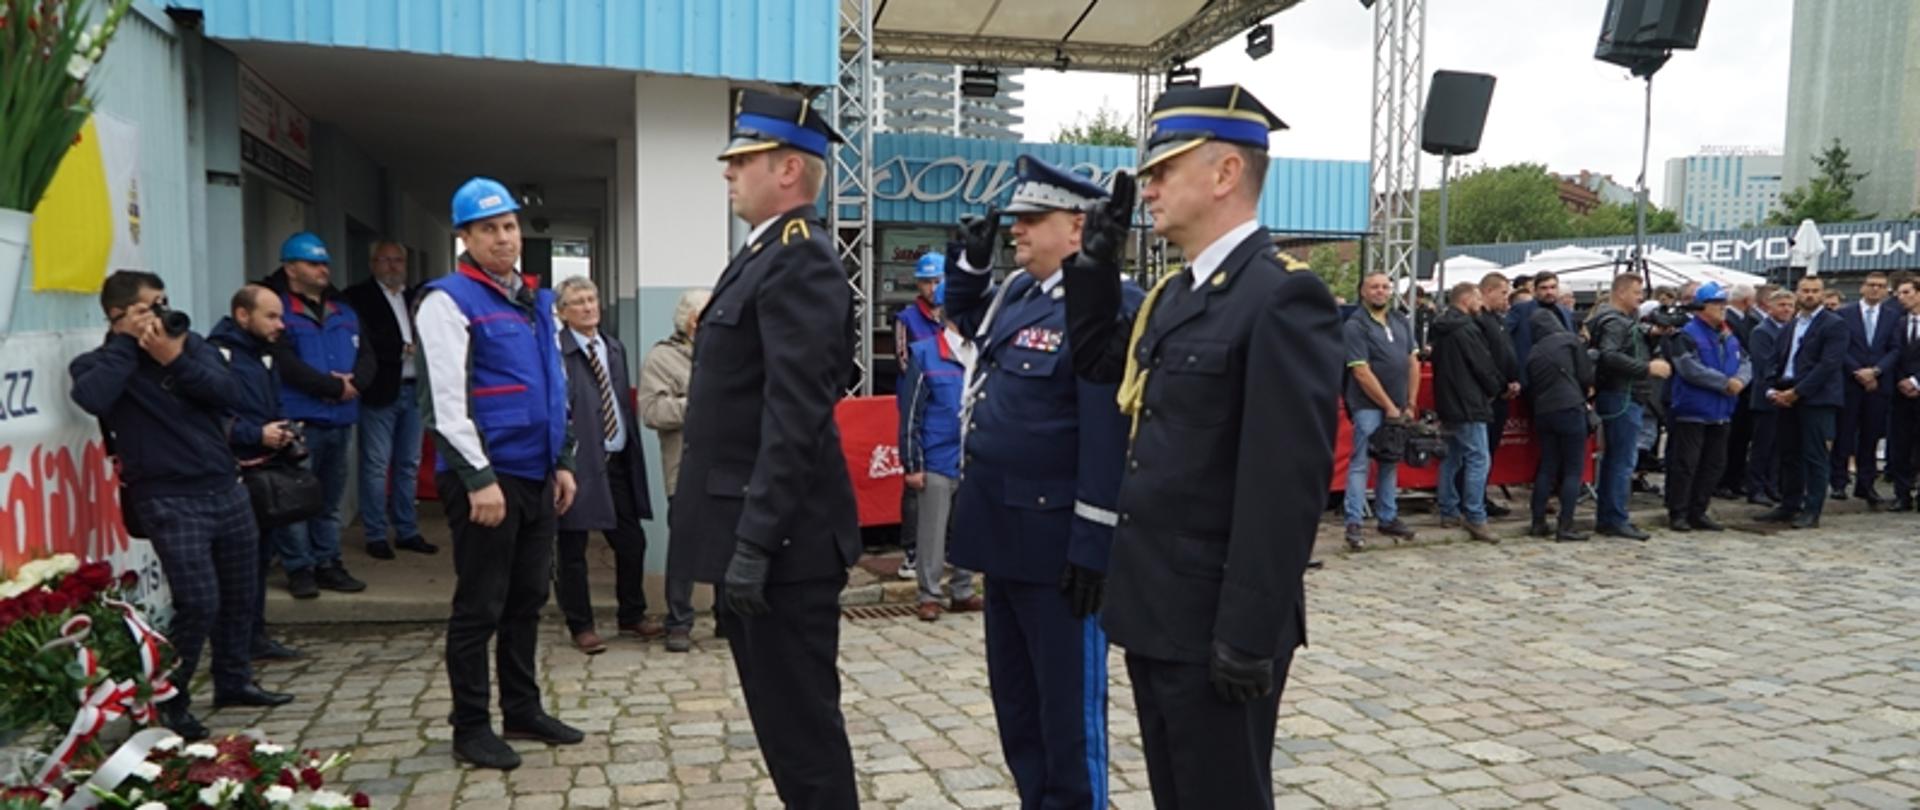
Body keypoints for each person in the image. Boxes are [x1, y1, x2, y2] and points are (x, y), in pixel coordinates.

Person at [1064, 83, 1342, 810]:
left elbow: (1285, 484)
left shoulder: (1281, 295)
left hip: (1218, 619)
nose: (1147, 188)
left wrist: (1249, 633)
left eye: (1163, 171)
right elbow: (1099, 362)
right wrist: (1093, 264)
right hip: (1157, 607)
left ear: (1223, 175)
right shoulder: (1179, 295)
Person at [669, 89, 860, 808]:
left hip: (788, 548)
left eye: (743, 159)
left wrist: (756, 541)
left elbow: (795, 416)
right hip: (763, 537)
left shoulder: (798, 259)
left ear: (788, 170)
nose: (728, 171)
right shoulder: (758, 258)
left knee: (803, 737)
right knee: (783, 733)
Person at [944, 155, 1137, 806]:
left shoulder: (1107, 308)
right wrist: (969, 271)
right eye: (1016, 220)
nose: (1016, 231)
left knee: (1069, 722)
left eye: (1033, 219)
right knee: (1020, 713)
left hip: (1059, 547)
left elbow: (1107, 436)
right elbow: (970, 332)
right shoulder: (1021, 293)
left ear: (1078, 228)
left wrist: (1093, 544)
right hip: (1002, 534)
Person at [70, 271, 293, 743]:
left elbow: (230, 394)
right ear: (118, 315)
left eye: (164, 301)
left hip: (224, 486)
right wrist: (131, 346)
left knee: (240, 592)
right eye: (149, 306)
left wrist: (172, 358)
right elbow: (91, 398)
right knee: (198, 601)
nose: (162, 313)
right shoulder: (100, 362)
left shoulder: (188, 347)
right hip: (168, 497)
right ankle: (171, 699)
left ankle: (233, 681)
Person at [416, 176, 583, 770]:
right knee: (479, 605)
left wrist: (562, 461)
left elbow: (554, 388)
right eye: (488, 229)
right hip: (489, 480)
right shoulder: (448, 300)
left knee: (527, 598)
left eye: (509, 226)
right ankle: (470, 726)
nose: (503, 238)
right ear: (464, 237)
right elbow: (445, 402)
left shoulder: (535, 302)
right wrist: (478, 478)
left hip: (537, 474)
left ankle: (522, 708)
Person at [553, 276, 659, 654]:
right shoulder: (558, 352)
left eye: (592, 299)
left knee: (631, 540)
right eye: (578, 302)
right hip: (578, 462)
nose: (588, 307)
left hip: (617, 459)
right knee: (573, 547)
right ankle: (580, 624)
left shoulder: (614, 348)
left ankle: (631, 612)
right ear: (563, 312)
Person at [264, 232, 372, 598]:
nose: (322, 270)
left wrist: (356, 382)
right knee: (294, 502)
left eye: (324, 263)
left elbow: (368, 355)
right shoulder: (279, 311)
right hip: (300, 420)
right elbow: (285, 364)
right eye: (313, 263)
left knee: (329, 501)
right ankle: (299, 569)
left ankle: (328, 562)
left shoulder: (344, 311)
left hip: (340, 420)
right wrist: (332, 386)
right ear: (291, 267)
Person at [207, 284, 303, 662]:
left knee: (261, 558)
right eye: (272, 316)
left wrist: (282, 431)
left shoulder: (265, 355)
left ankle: (255, 637)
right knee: (235, 565)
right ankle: (232, 647)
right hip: (231, 473)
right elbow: (212, 419)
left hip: (266, 468)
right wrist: (254, 434)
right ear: (242, 315)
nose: (281, 324)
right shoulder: (217, 355)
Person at [342, 241, 435, 559]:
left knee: (409, 465)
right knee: (376, 465)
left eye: (398, 260)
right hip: (380, 389)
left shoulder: (415, 298)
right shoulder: (357, 298)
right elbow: (360, 341)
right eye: (385, 260)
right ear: (372, 263)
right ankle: (376, 534)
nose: (393, 266)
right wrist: (400, 348)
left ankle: (407, 531)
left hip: (414, 389)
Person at [898, 281, 979, 623]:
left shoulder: (982, 354)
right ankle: (929, 594)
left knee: (968, 529)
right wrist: (912, 462)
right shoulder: (925, 354)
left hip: (973, 457)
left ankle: (963, 590)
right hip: (937, 456)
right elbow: (911, 413)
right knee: (932, 530)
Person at [639, 287, 712, 654]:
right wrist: (699, 404)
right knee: (684, 547)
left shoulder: (730, 354)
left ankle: (730, 618)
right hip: (683, 469)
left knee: (731, 543)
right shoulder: (662, 358)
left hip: (728, 469)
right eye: (706, 316)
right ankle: (679, 622)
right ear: (689, 321)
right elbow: (652, 412)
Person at [1755, 275, 1849, 529]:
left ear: (1822, 294)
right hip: (1785, 394)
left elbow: (1828, 364)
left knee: (1815, 455)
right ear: (1797, 293)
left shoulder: (1834, 324)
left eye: (1814, 291)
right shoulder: (1791, 324)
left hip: (1816, 398)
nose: (1809, 295)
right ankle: (1789, 504)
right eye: (1805, 290)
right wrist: (1773, 388)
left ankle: (1812, 509)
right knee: (1789, 453)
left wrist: (1799, 392)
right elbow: (1776, 358)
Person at [1662, 283, 1752, 532]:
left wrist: (1740, 381)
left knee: (1713, 464)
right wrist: (1724, 383)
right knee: (1686, 464)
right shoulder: (1686, 334)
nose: (1723, 309)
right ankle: (1678, 512)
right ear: (1702, 307)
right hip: (1693, 409)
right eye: (1717, 304)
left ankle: (1698, 510)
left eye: (1724, 304)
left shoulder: (1728, 334)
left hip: (1722, 411)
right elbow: (1688, 367)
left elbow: (1745, 361)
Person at [1588, 273, 1671, 541]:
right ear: (1621, 292)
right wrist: (1646, 367)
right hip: (1621, 394)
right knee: (1622, 461)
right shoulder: (1613, 321)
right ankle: (1615, 518)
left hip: (1624, 394)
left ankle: (1611, 516)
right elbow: (1609, 355)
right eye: (1637, 292)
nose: (1641, 297)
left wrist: (1654, 333)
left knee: (1618, 460)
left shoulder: (1622, 320)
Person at [1341, 271, 1420, 550]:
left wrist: (1409, 403)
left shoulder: (1400, 320)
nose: (1380, 291)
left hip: (1398, 405)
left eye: (1385, 287)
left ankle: (1388, 516)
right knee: (1361, 462)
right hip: (1368, 406)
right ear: (1363, 291)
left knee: (1390, 460)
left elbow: (1413, 362)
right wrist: (1387, 405)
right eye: (1374, 287)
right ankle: (1354, 521)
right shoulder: (1355, 326)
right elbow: (1361, 371)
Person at [1429, 282, 1503, 543]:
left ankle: (1449, 509)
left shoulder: (1439, 328)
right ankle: (1475, 515)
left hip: (1447, 400)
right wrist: (1496, 387)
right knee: (1478, 458)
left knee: (1453, 457)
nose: (1481, 304)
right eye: (1478, 298)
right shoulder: (1467, 329)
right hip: (1469, 402)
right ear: (1467, 298)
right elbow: (1482, 365)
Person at [893, 252, 946, 580]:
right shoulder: (907, 318)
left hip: (949, 406)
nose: (931, 288)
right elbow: (903, 361)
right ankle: (911, 552)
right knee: (916, 478)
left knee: (951, 481)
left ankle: (948, 549)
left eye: (937, 281)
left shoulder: (956, 315)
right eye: (926, 281)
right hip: (917, 405)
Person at [1524, 309, 1594, 541]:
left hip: (1544, 412)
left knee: (1547, 466)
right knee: (1573, 470)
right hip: (1570, 407)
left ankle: (1537, 522)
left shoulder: (1533, 352)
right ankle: (1565, 526)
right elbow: (1585, 376)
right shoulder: (1569, 341)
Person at [1832, 271, 1898, 506]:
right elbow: (1840, 347)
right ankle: (1839, 482)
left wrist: (1876, 371)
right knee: (1844, 432)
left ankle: (1866, 483)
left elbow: (1895, 349)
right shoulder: (1844, 314)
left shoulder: (1892, 317)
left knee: (1871, 435)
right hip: (1851, 381)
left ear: (1886, 291)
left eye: (1880, 286)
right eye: (1871, 285)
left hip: (1878, 384)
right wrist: (1858, 371)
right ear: (1862, 287)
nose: (1875, 290)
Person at [1476, 272, 1522, 516]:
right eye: (1503, 293)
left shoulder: (1498, 319)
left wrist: (1513, 380)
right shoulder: (1480, 320)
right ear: (1488, 291)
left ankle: (1481, 495)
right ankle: (1474, 499)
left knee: (1489, 450)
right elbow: (1485, 360)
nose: (1507, 298)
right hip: (1489, 396)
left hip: (1503, 392)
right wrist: (1500, 385)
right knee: (1479, 451)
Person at [1744, 291, 1795, 506]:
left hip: (1787, 395)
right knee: (1763, 445)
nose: (1786, 309)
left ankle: (1772, 486)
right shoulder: (1762, 332)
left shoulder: (1792, 329)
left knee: (1778, 446)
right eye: (1781, 305)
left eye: (1790, 305)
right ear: (1769, 308)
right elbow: (1763, 364)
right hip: (1767, 395)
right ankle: (1755, 487)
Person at [1716, 284, 1759, 498]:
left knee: (1741, 437)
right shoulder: (1728, 322)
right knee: (1729, 438)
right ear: (1748, 301)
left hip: (1746, 386)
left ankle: (1735, 478)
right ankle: (1724, 480)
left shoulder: (1751, 321)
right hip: (1732, 385)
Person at [1884, 276, 1920, 511]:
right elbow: (1892, 354)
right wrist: (1900, 380)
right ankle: (1902, 493)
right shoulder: (1897, 323)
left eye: (1906, 292)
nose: (1901, 297)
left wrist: (1917, 381)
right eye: (1898, 293)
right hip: (1899, 394)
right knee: (1900, 445)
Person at [1506, 270, 1573, 389]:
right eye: (1544, 288)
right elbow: (1505, 339)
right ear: (1535, 290)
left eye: (1553, 287)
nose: (1549, 292)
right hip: (1531, 377)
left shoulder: (1565, 312)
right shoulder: (1520, 310)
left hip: (1562, 377)